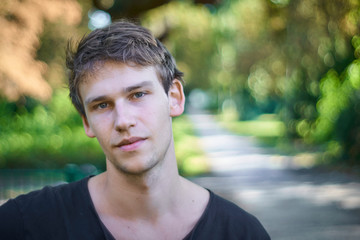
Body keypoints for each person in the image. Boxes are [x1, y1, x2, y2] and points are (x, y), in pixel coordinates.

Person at [0, 20, 270, 239]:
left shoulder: (241, 233)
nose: (123, 121)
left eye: (138, 95)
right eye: (102, 105)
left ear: (174, 97)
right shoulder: (26, 225)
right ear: (86, 122)